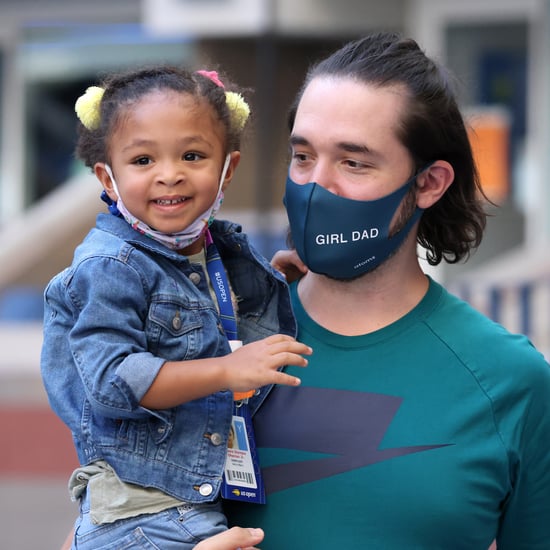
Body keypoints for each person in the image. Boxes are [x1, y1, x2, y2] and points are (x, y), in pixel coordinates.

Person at [222, 31, 550, 549]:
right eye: (303, 156)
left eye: (354, 162)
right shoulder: (210, 344)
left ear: (429, 183)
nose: (315, 186)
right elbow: (99, 525)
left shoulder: (511, 382)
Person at [41, 65, 310, 549]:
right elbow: (113, 381)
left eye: (192, 155)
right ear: (109, 175)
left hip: (187, 503)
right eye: (143, 160)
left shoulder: (210, 251)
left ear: (227, 167)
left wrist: (275, 279)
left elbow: (204, 323)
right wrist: (226, 370)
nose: (170, 174)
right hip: (141, 515)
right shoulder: (110, 266)